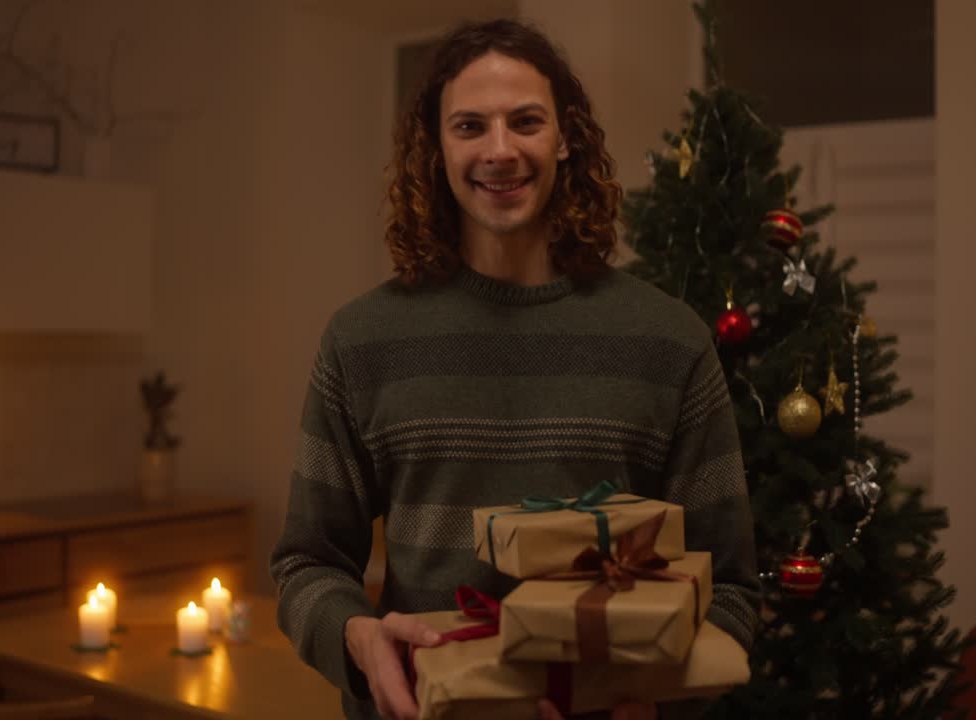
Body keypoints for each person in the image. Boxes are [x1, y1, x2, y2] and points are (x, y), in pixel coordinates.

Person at [270, 18, 758, 720]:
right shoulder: (362, 340)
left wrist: (652, 700)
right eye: (469, 126)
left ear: (565, 138)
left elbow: (732, 586)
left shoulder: (667, 340)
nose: (499, 151)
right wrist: (357, 638)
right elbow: (306, 563)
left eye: (525, 121)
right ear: (435, 149)